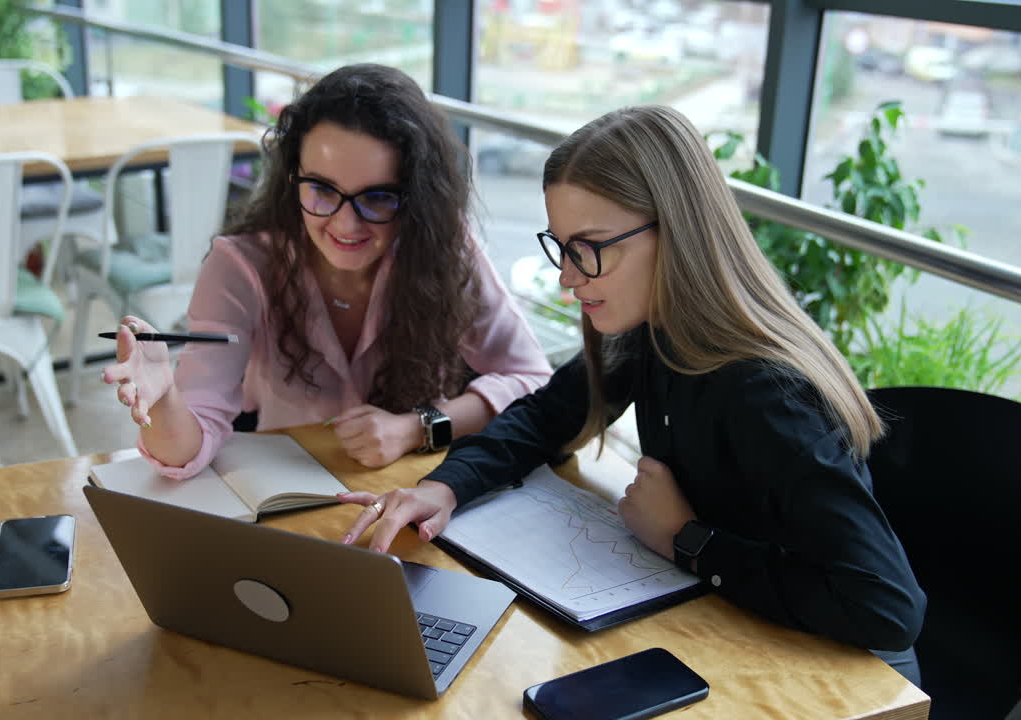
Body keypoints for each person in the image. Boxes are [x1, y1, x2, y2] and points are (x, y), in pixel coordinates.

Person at [339, 105, 927, 683]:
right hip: (734, 627)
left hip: (845, 675)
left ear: (676, 235)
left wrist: (689, 540)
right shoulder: (650, 329)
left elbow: (886, 608)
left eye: (589, 248)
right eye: (562, 246)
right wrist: (445, 486)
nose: (568, 277)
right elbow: (547, 416)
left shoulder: (766, 392)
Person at [103, 63, 552, 475]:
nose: (345, 223)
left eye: (378, 197)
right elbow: (184, 451)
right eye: (320, 189)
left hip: (413, 493)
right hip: (286, 494)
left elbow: (532, 380)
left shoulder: (443, 247)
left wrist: (416, 428)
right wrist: (163, 399)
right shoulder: (240, 265)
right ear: (292, 177)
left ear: (417, 199)